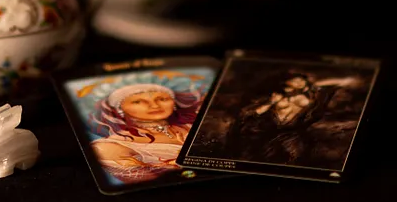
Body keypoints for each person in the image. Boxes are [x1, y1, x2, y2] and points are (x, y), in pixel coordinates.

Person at [223, 71, 360, 164]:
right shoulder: (277, 97)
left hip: (291, 130)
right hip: (271, 128)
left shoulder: (313, 94)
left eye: (301, 81)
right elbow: (254, 113)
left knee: (292, 154)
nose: (299, 83)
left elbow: (326, 85)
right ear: (287, 84)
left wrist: (345, 80)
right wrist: (272, 103)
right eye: (295, 81)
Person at [89, 83, 201, 183]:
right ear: (119, 108)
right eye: (138, 101)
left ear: (174, 103)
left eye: (162, 99)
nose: (155, 105)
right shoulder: (110, 146)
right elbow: (152, 185)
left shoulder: (197, 128)